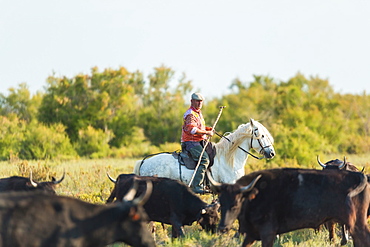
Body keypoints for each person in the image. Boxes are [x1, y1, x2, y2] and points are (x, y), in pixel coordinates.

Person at [181, 92, 214, 193]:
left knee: (213, 155)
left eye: (201, 101)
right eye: (197, 101)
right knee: (204, 160)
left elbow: (199, 127)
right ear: (192, 101)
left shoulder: (198, 113)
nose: (199, 103)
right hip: (191, 142)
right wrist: (206, 132)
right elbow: (192, 130)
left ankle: (208, 183)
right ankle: (197, 186)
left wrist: (207, 129)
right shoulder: (191, 114)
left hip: (198, 140)